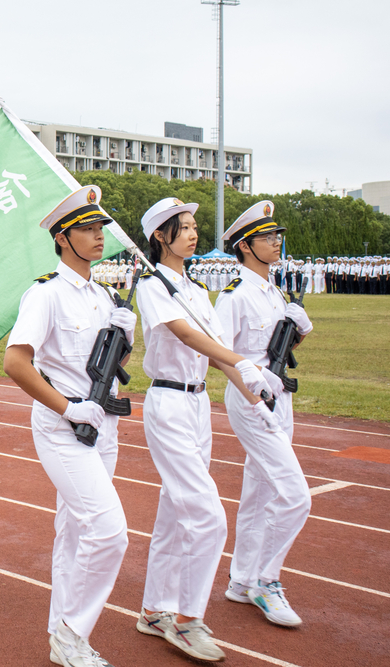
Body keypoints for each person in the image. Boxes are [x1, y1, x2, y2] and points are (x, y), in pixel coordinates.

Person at [135, 198, 269, 663]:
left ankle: (154, 611)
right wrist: (242, 361)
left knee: (175, 513)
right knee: (207, 517)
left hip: (197, 404)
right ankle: (187, 621)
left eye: (194, 226)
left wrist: (256, 397)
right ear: (160, 236)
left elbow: (216, 349)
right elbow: (188, 336)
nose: (193, 234)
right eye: (184, 227)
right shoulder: (152, 286)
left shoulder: (193, 288)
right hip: (169, 403)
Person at [3, 186, 131, 667]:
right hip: (64, 429)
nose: (99, 236)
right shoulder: (46, 293)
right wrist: (66, 408)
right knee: (109, 531)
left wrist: (126, 338)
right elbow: (16, 363)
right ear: (62, 237)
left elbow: (108, 366)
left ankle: (61, 632)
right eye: (87, 229)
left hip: (103, 426)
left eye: (100, 228)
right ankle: (73, 633)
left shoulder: (105, 295)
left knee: (76, 532)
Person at [215, 201, 312, 627]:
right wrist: (255, 397)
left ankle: (241, 580)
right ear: (246, 246)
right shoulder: (234, 296)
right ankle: (265, 580)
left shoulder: (274, 292)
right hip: (253, 401)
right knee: (295, 495)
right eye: (267, 237)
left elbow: (280, 351)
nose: (276, 242)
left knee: (259, 492)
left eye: (277, 236)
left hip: (279, 396)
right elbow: (220, 355)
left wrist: (300, 331)